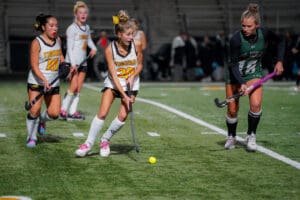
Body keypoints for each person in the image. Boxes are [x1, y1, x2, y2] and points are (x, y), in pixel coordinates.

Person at [75, 10, 143, 157]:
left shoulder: (136, 45)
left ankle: (105, 139)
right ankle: (88, 143)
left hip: (131, 84)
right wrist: (124, 95)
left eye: (132, 34)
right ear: (119, 35)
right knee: (103, 112)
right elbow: (113, 75)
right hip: (114, 83)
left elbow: (140, 65)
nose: (131, 37)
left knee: (123, 116)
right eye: (128, 34)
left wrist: (133, 75)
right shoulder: (109, 50)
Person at [224, 3, 285, 151]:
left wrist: (280, 61)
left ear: (256, 25)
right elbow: (232, 65)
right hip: (235, 75)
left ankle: (251, 135)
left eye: (249, 26)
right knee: (232, 110)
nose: (245, 29)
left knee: (256, 104)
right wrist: (242, 83)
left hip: (254, 73)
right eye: (243, 26)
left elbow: (281, 41)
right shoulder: (236, 40)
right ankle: (231, 136)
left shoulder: (264, 33)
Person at [26, 13, 65, 148]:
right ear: (43, 27)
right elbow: (34, 65)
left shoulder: (58, 40)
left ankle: (42, 121)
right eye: (51, 26)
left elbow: (60, 56)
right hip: (37, 82)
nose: (55, 28)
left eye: (56, 26)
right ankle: (31, 137)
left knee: (54, 114)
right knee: (34, 110)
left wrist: (65, 66)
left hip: (54, 82)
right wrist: (44, 80)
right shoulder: (36, 43)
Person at [60, 1, 97, 120]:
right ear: (76, 14)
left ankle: (72, 111)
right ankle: (63, 110)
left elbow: (88, 41)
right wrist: (73, 64)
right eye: (80, 12)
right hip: (73, 62)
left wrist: (94, 48)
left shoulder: (87, 27)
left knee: (78, 88)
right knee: (73, 85)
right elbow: (69, 48)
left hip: (83, 62)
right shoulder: (72, 28)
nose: (83, 15)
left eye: (85, 13)